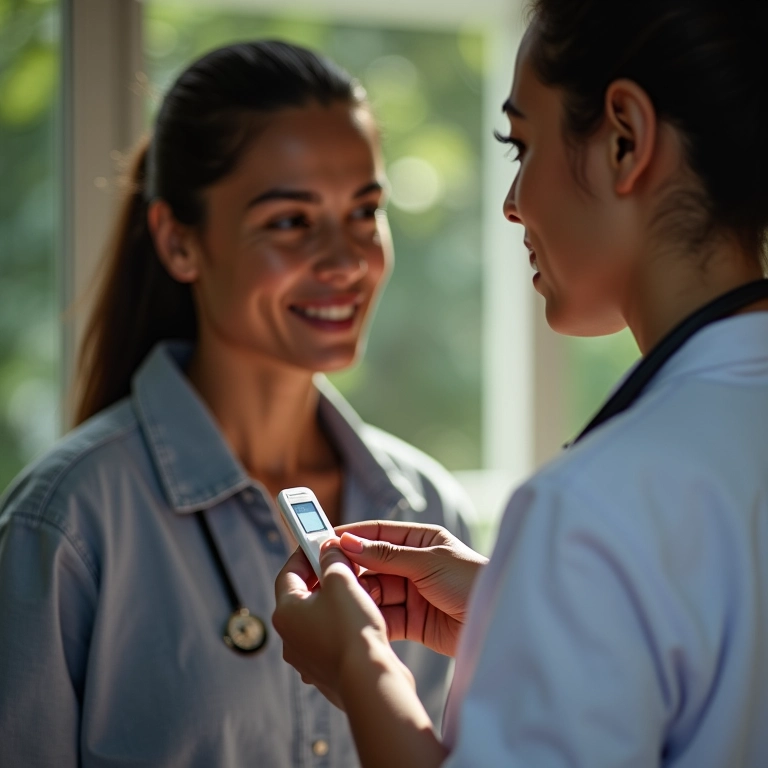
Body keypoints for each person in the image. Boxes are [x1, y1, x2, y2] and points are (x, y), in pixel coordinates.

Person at [272, 1, 768, 765]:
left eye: (521, 143)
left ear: (624, 140)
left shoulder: (594, 504)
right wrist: (528, 605)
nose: (511, 203)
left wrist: (360, 665)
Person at [0, 40, 473, 767]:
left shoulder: (428, 509)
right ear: (179, 242)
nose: (347, 260)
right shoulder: (68, 522)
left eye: (365, 210)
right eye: (290, 220)